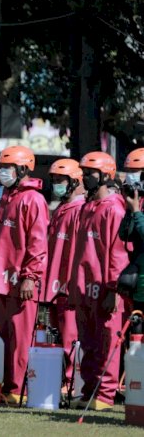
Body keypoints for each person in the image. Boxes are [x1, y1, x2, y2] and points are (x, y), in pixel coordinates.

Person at [0, 145, 48, 404]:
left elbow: (38, 243)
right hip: (1, 282)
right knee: (2, 339)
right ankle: (3, 386)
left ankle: (16, 389)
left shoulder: (33, 200)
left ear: (22, 169)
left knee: (20, 340)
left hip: (21, 283)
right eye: (0, 167)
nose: (2, 172)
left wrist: (30, 276)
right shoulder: (8, 197)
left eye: (6, 168)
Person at [70, 151, 128, 410]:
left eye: (90, 173)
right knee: (89, 342)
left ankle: (104, 395)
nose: (85, 178)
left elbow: (117, 253)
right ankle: (89, 390)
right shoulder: (88, 207)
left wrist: (114, 289)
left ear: (106, 176)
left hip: (104, 288)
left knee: (106, 340)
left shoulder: (114, 209)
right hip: (85, 286)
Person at [43, 158, 85, 386]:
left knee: (71, 336)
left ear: (74, 181)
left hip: (69, 286)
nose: (56, 185)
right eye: (54, 180)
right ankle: (60, 380)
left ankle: (71, 383)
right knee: (57, 336)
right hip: (55, 284)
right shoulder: (61, 209)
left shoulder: (79, 211)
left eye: (60, 180)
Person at [120, 148, 144, 312]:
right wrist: (129, 209)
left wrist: (136, 211)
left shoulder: (138, 206)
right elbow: (123, 235)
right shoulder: (138, 201)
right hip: (138, 282)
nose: (130, 175)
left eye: (135, 171)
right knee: (135, 334)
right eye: (129, 171)